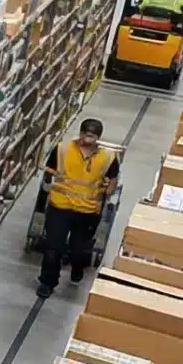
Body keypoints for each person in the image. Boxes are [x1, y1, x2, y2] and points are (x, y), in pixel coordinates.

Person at [38, 117, 117, 297]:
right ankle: (47, 282)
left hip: (87, 211)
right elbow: (49, 173)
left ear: (98, 138)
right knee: (53, 247)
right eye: (85, 135)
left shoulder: (108, 157)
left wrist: (107, 191)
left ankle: (77, 268)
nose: (87, 139)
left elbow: (112, 180)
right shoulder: (63, 149)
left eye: (92, 136)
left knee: (79, 250)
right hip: (60, 206)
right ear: (80, 133)